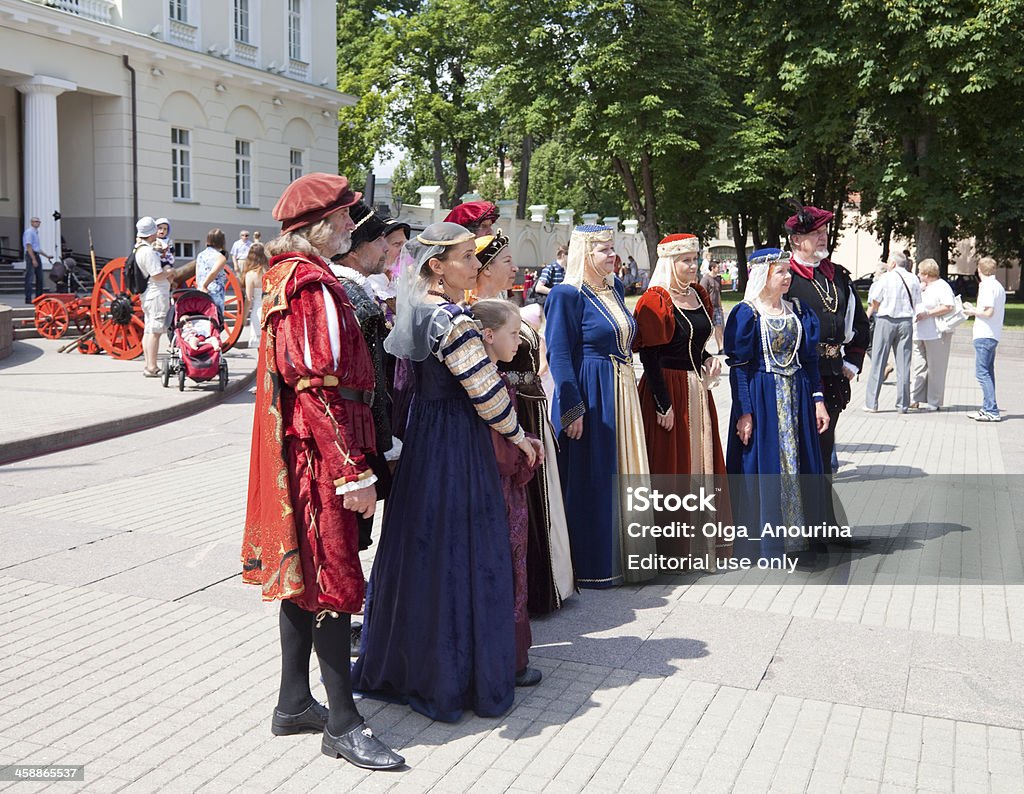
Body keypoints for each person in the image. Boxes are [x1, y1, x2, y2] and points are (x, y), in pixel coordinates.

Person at [241, 172, 403, 770]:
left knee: (309, 578)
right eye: (341, 220)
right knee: (334, 579)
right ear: (319, 227)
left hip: (317, 449)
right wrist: (350, 472)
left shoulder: (297, 279)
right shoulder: (310, 286)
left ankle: (292, 704)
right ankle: (343, 721)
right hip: (323, 454)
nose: (348, 228)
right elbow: (317, 389)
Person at [353, 222, 538, 722]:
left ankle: (413, 667)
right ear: (437, 266)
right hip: (457, 445)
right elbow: (488, 394)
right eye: (467, 258)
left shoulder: (421, 311)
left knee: (423, 552)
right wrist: (520, 438)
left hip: (426, 440)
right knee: (466, 551)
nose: (477, 265)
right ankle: (460, 674)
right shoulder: (452, 322)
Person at [545, 224, 656, 588]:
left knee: (621, 470)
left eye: (613, 249)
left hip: (619, 388)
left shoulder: (615, 288)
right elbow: (559, 353)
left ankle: (625, 555)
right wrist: (572, 406)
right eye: (604, 250)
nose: (613, 256)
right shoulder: (566, 294)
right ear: (585, 254)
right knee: (591, 476)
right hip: (590, 389)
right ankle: (592, 564)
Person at [476, 232, 575, 614]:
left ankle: (549, 581)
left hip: (532, 406)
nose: (515, 268)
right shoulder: (481, 313)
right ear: (485, 269)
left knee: (544, 498)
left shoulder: (504, 304)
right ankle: (531, 590)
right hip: (513, 412)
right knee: (524, 503)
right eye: (506, 262)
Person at [725, 249, 830, 565]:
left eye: (788, 271)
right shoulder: (747, 314)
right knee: (765, 465)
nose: (788, 277)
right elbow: (739, 366)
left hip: (796, 397)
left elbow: (810, 362)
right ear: (763, 276)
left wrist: (818, 400)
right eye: (781, 272)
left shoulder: (799, 310)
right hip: (762, 397)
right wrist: (745, 411)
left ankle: (798, 540)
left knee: (799, 464)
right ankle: (766, 545)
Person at [633, 234, 731, 571]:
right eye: (685, 260)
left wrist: (706, 359)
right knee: (673, 466)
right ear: (669, 262)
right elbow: (651, 355)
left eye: (694, 259)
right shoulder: (656, 300)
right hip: (667, 389)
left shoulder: (697, 295)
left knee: (700, 463)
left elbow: (693, 343)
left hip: (696, 389)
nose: (692, 266)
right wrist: (663, 404)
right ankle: (672, 548)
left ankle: (701, 545)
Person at [783, 204, 869, 547]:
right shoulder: (784, 277)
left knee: (823, 449)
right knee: (801, 453)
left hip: (833, 377)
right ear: (797, 240)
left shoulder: (838, 276)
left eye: (823, 232)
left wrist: (852, 364)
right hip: (797, 376)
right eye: (815, 233)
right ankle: (804, 529)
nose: (823, 238)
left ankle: (825, 526)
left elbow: (860, 325)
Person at [474, 297, 544, 685]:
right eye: (514, 334)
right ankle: (507, 658)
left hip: (500, 484)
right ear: (488, 335)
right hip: (499, 488)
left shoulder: (491, 376)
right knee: (506, 567)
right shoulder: (488, 384)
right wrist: (526, 452)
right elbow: (499, 446)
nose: (519, 343)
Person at [329, 200, 397, 552]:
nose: (387, 247)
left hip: (364, 430)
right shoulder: (350, 293)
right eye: (379, 240)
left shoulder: (359, 289)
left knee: (356, 541)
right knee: (348, 541)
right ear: (356, 250)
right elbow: (366, 377)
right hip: (353, 433)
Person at [864, 250, 920, 413]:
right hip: (906, 322)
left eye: (889, 262)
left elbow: (875, 301)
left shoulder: (885, 278)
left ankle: (871, 403)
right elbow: (917, 301)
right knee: (904, 364)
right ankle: (902, 405)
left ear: (893, 263)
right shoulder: (913, 279)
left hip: (886, 320)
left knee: (878, 361)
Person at [910, 258, 956, 411]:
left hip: (936, 333)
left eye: (920, 272)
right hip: (919, 332)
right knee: (918, 366)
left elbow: (948, 306)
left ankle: (934, 401)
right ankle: (914, 397)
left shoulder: (942, 286)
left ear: (926, 273)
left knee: (936, 368)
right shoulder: (923, 287)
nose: (918, 274)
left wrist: (928, 313)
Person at [964, 256, 1006, 421]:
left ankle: (992, 410)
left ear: (979, 270)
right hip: (993, 333)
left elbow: (988, 312)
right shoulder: (998, 286)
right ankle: (987, 407)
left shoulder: (986, 286)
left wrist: (972, 311)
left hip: (985, 333)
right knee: (988, 372)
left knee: (982, 373)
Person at [134, 216, 175, 377]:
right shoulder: (148, 251)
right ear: (151, 234)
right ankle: (152, 367)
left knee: (149, 330)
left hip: (149, 294)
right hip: (156, 293)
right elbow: (157, 275)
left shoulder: (139, 248)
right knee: (155, 332)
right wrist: (169, 272)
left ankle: (148, 364)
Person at [241, 242, 268, 348]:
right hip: (270, 308)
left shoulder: (250, 275)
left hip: (257, 310)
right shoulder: (270, 270)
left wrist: (244, 318)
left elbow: (248, 299)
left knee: (259, 346)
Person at [196, 228, 229, 315]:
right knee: (216, 321)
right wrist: (204, 285)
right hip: (214, 292)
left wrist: (200, 286)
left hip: (201, 291)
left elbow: (197, 274)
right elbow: (213, 272)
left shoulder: (200, 255)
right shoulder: (220, 257)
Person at [22, 216, 52, 304]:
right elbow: (29, 246)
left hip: (36, 254)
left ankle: (39, 297)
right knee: (29, 277)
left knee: (40, 277)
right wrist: (33, 259)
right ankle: (28, 298)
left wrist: (47, 256)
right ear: (31, 222)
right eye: (35, 221)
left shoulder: (35, 232)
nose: (37, 223)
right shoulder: (29, 232)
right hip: (31, 255)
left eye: (39, 222)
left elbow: (37, 248)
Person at [699, 260, 725, 354]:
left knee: (719, 327)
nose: (719, 269)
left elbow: (718, 294)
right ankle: (702, 349)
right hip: (708, 308)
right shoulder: (705, 279)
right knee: (706, 329)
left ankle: (721, 348)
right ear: (712, 268)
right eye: (718, 267)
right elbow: (702, 294)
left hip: (717, 307)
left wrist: (721, 307)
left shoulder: (718, 279)